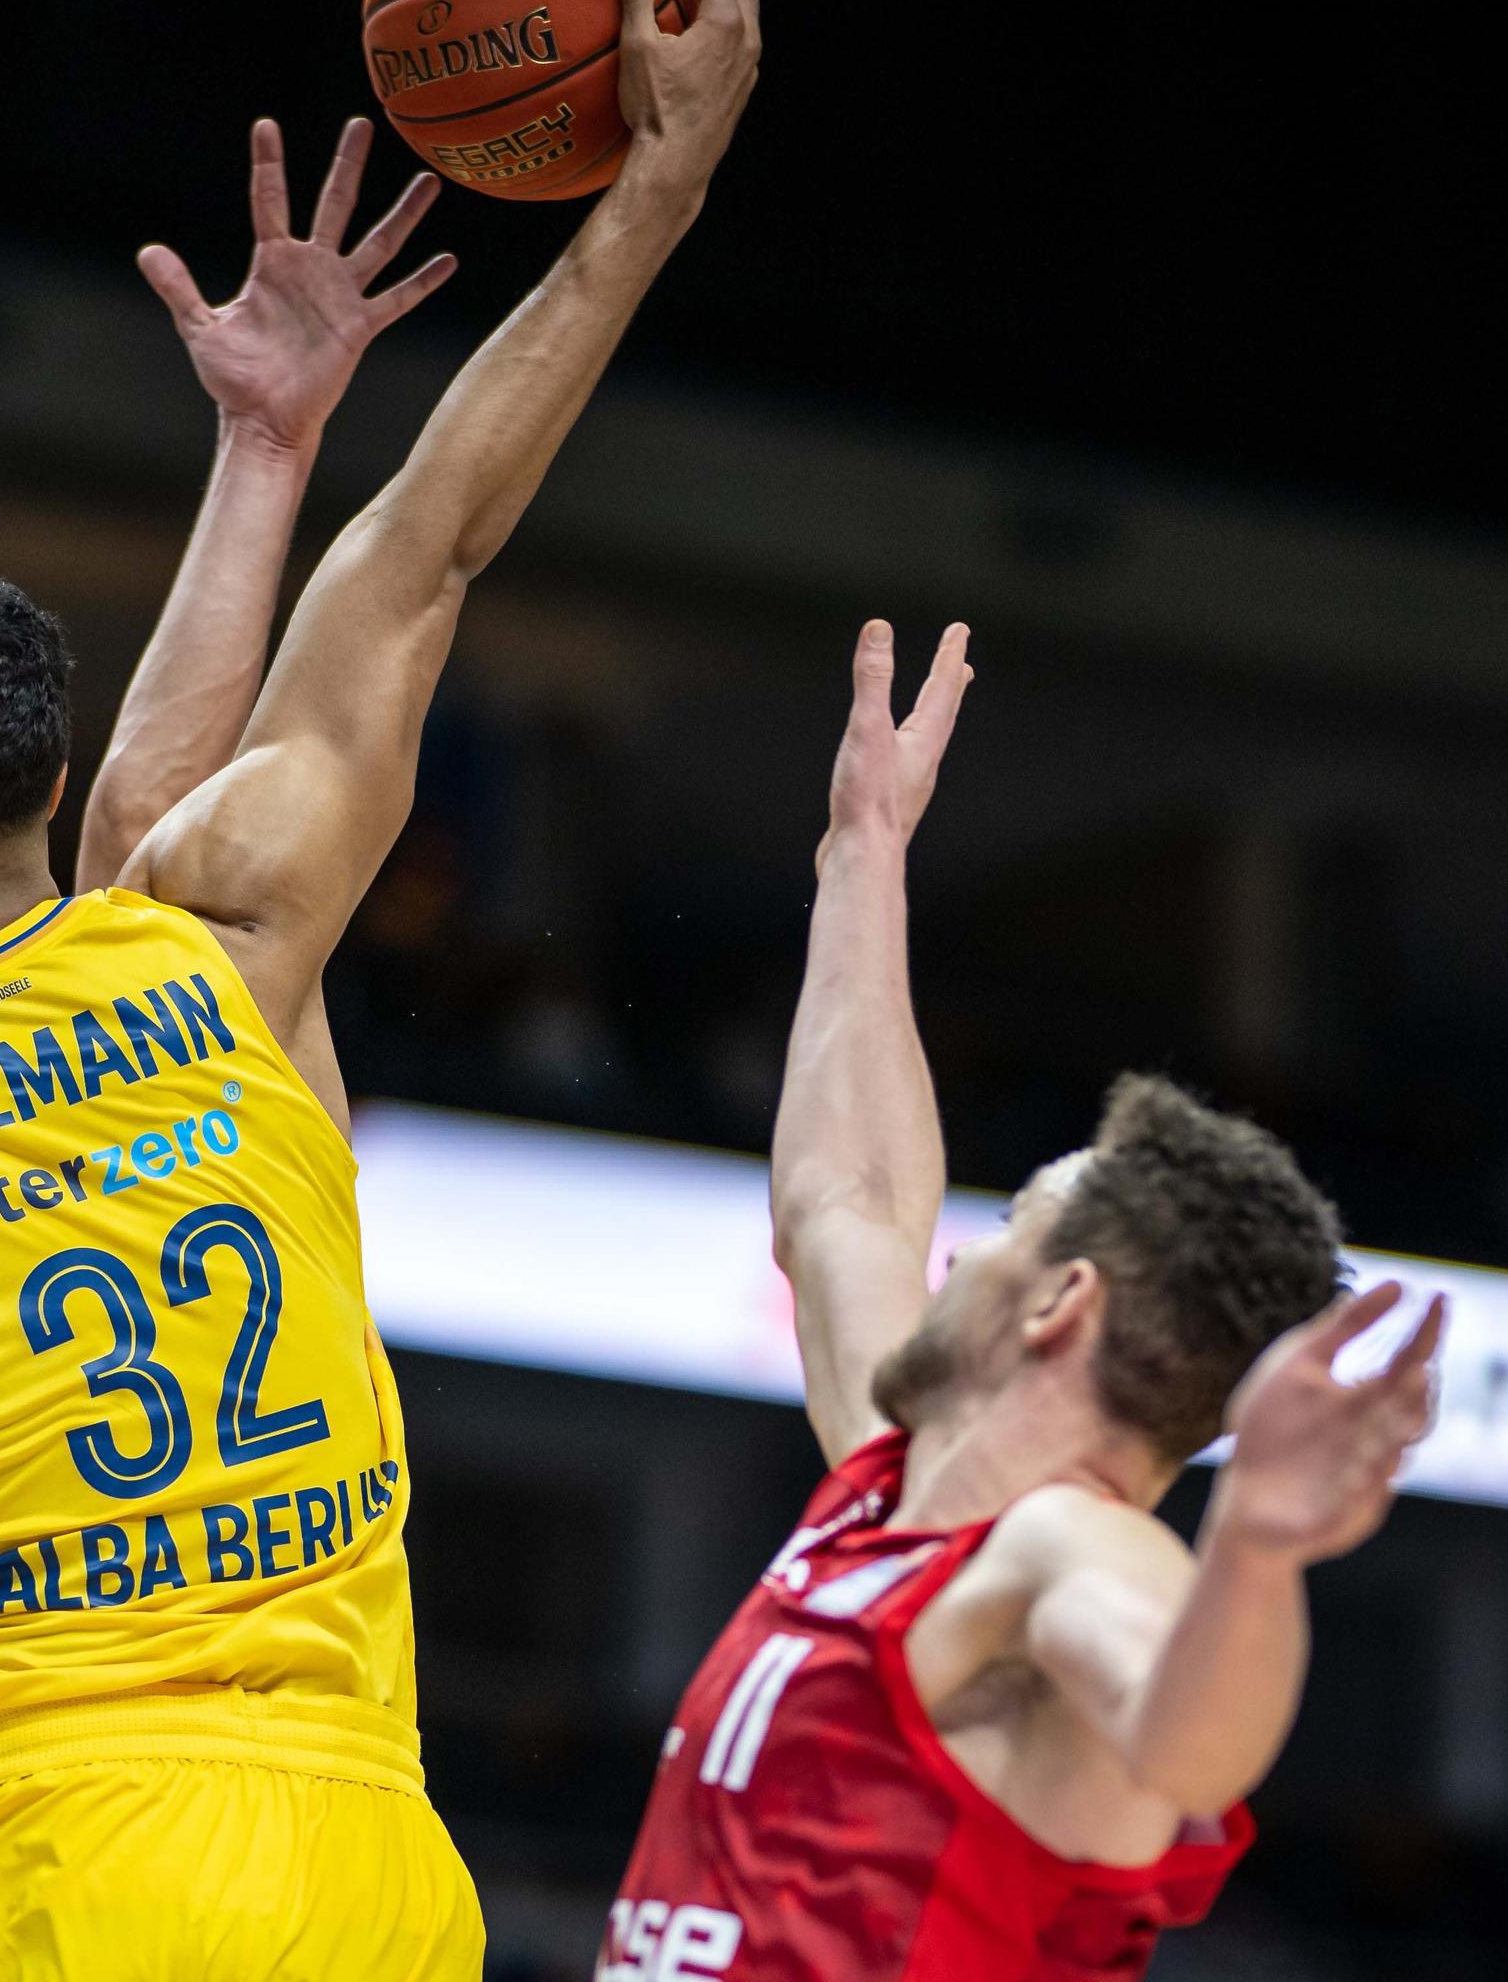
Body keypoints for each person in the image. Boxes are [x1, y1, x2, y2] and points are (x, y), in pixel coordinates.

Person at [0, 0, 762, 1979]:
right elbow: (425, 553)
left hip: (63, 1872)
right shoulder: (223, 966)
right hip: (367, 1863)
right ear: (39, 783)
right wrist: (653, 197)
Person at [595, 622, 1447, 1982]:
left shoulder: (1068, 1556)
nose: (957, 1255)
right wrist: (863, 852)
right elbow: (847, 1202)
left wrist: (1259, 1553)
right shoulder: (896, 1505)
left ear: (1060, 1301)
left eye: (1002, 1230)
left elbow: (1187, 1740)